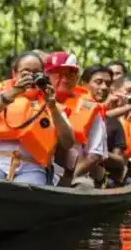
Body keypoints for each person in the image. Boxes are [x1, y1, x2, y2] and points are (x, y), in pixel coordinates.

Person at [0, 51, 74, 184]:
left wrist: (52, 107)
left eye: (35, 72)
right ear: (15, 74)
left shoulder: (52, 104)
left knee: (26, 196)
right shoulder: (0, 96)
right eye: (25, 72)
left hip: (33, 167)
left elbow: (68, 142)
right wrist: (14, 91)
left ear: (43, 75)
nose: (31, 77)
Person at [45, 52, 107, 188]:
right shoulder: (33, 101)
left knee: (84, 187)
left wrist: (67, 179)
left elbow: (94, 155)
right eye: (58, 73)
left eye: (71, 74)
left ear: (77, 78)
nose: (65, 79)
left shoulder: (91, 108)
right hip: (36, 169)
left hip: (76, 174)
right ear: (47, 76)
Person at [80, 65, 128, 186]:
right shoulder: (67, 108)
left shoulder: (112, 122)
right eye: (98, 82)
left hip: (90, 173)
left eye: (107, 84)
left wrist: (101, 153)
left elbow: (119, 162)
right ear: (83, 84)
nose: (104, 87)